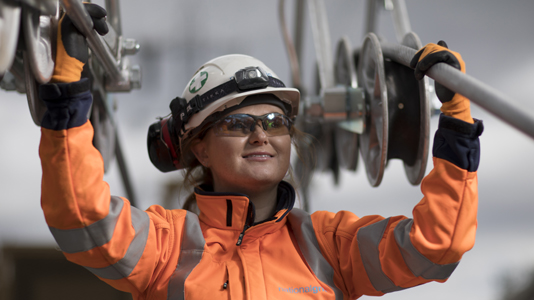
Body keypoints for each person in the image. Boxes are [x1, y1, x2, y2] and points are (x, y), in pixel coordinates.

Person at [38, 4, 483, 300]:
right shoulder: (166, 245)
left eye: (274, 122)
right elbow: (83, 220)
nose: (260, 136)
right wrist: (66, 97)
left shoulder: (329, 247)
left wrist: (458, 124)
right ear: (201, 150)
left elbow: (436, 247)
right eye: (237, 123)